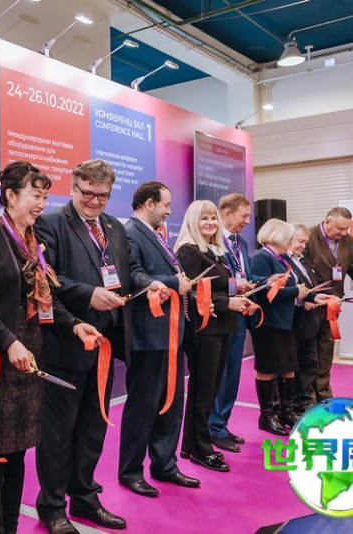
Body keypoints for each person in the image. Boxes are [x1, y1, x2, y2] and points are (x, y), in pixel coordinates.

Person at [0, 161, 101, 534]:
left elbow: (46, 301)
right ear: (10, 195)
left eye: (44, 196)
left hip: (31, 360)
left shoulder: (35, 242)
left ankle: (10, 527)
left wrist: (75, 325)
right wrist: (8, 342)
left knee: (19, 452)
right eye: (34, 195)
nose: (41, 203)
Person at [33, 159, 164, 534]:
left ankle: (85, 497)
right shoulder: (50, 224)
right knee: (58, 434)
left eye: (102, 195)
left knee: (93, 427)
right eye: (87, 193)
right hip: (65, 343)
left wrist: (147, 285)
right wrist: (88, 295)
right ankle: (51, 506)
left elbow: (126, 272)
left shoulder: (114, 227)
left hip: (106, 344)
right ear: (73, 187)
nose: (93, 201)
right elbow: (46, 282)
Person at [118, 181, 199, 498]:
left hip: (172, 333)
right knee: (143, 406)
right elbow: (132, 276)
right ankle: (130, 471)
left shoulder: (156, 235)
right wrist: (171, 282)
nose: (169, 210)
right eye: (165, 204)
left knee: (172, 403)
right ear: (149, 203)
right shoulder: (129, 233)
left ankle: (165, 464)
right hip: (148, 335)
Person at [175, 200, 253, 473]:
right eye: (204, 218)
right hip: (205, 329)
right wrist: (227, 302)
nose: (210, 223)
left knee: (209, 391)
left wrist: (237, 294)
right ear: (193, 221)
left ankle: (192, 446)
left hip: (222, 327)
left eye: (213, 218)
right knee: (202, 392)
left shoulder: (215, 250)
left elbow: (216, 286)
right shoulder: (188, 251)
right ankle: (200, 449)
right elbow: (192, 293)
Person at [250, 219, 328, 435]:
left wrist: (313, 296)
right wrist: (297, 293)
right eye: (289, 237)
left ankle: (286, 411)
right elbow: (262, 292)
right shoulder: (261, 258)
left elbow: (295, 287)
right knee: (267, 368)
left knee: (288, 368)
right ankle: (267, 416)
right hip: (268, 322)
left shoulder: (282, 258)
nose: (292, 242)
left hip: (288, 321)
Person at [304, 207, 353, 401]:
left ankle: (323, 394)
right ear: (327, 221)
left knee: (326, 349)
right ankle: (306, 396)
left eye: (346, 229)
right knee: (309, 351)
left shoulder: (347, 240)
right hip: (311, 303)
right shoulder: (308, 236)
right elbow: (302, 270)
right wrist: (311, 296)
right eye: (340, 228)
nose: (343, 233)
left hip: (334, 304)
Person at [208, 193, 257, 454]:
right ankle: (213, 427)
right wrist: (233, 287)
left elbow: (243, 273)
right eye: (244, 216)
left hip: (240, 313)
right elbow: (209, 279)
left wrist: (259, 282)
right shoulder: (211, 240)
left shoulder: (242, 243)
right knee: (219, 373)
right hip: (220, 313)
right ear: (226, 213)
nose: (247, 221)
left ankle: (222, 423)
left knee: (233, 374)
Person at [286, 224, 325, 415]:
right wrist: (303, 300)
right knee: (293, 365)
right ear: (288, 239)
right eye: (299, 242)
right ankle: (291, 404)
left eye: (305, 242)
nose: (303, 246)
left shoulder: (304, 260)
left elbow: (311, 287)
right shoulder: (282, 260)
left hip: (310, 321)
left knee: (309, 364)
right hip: (293, 321)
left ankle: (304, 402)